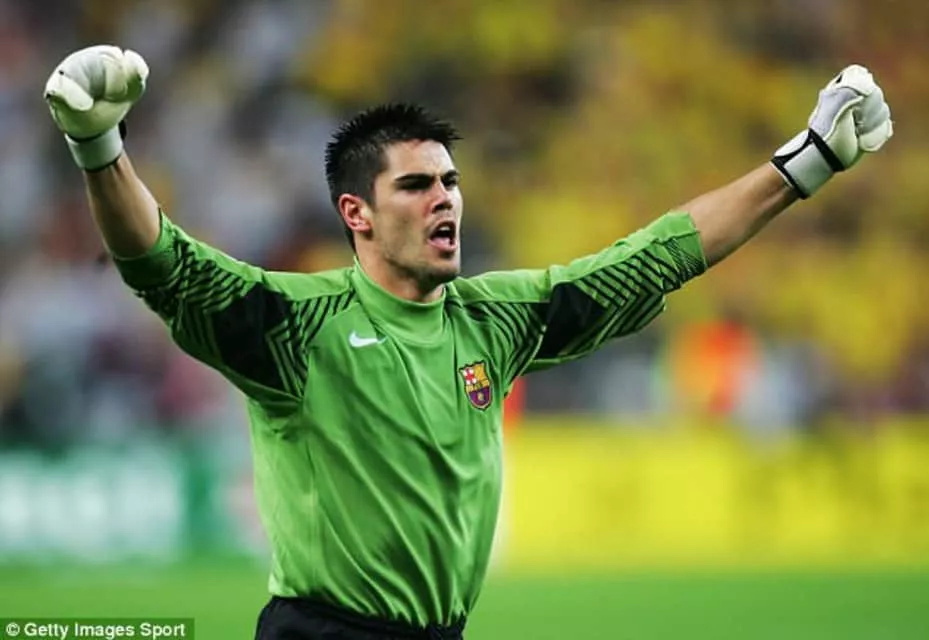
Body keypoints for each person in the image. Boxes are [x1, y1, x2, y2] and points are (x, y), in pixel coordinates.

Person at [42, 45, 892, 639]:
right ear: (356, 214)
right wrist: (98, 145)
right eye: (416, 184)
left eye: (450, 181)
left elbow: (651, 259)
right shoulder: (297, 327)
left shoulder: (493, 319)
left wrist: (805, 161)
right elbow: (166, 267)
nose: (445, 198)